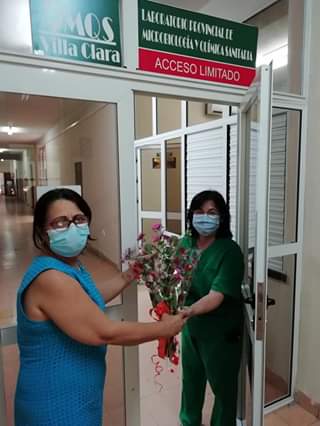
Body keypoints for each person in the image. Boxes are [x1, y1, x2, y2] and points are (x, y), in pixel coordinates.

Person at [14, 188, 186, 426]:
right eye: (60, 223)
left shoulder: (71, 267)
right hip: (53, 405)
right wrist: (163, 329)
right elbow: (103, 331)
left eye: (79, 220)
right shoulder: (50, 277)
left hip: (77, 397)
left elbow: (86, 300)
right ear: (43, 233)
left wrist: (130, 275)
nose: (73, 228)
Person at [179, 190, 244, 426]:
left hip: (221, 332)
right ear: (192, 215)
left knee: (223, 387)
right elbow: (176, 280)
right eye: (199, 212)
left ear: (222, 217)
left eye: (211, 212)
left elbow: (217, 295)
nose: (204, 217)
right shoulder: (185, 243)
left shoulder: (230, 251)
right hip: (191, 328)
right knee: (191, 382)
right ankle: (189, 422)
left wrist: (188, 311)